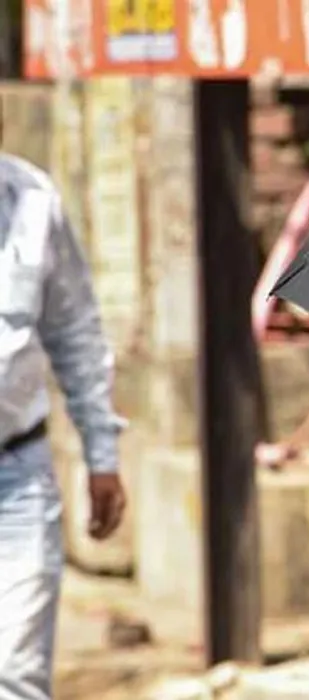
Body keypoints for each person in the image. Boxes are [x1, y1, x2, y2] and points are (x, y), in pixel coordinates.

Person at [0, 151, 127, 700]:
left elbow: (74, 330)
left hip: (16, 474)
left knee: (16, 672)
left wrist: (102, 453)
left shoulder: (33, 201)